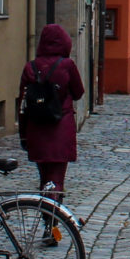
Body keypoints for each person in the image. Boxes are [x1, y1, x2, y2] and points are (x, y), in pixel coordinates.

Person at [18, 23, 85, 245]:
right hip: (60, 128)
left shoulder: (31, 67)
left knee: (44, 178)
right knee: (57, 180)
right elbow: (78, 92)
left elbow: (23, 102)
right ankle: (52, 225)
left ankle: (49, 220)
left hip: (37, 128)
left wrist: (23, 134)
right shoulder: (66, 65)